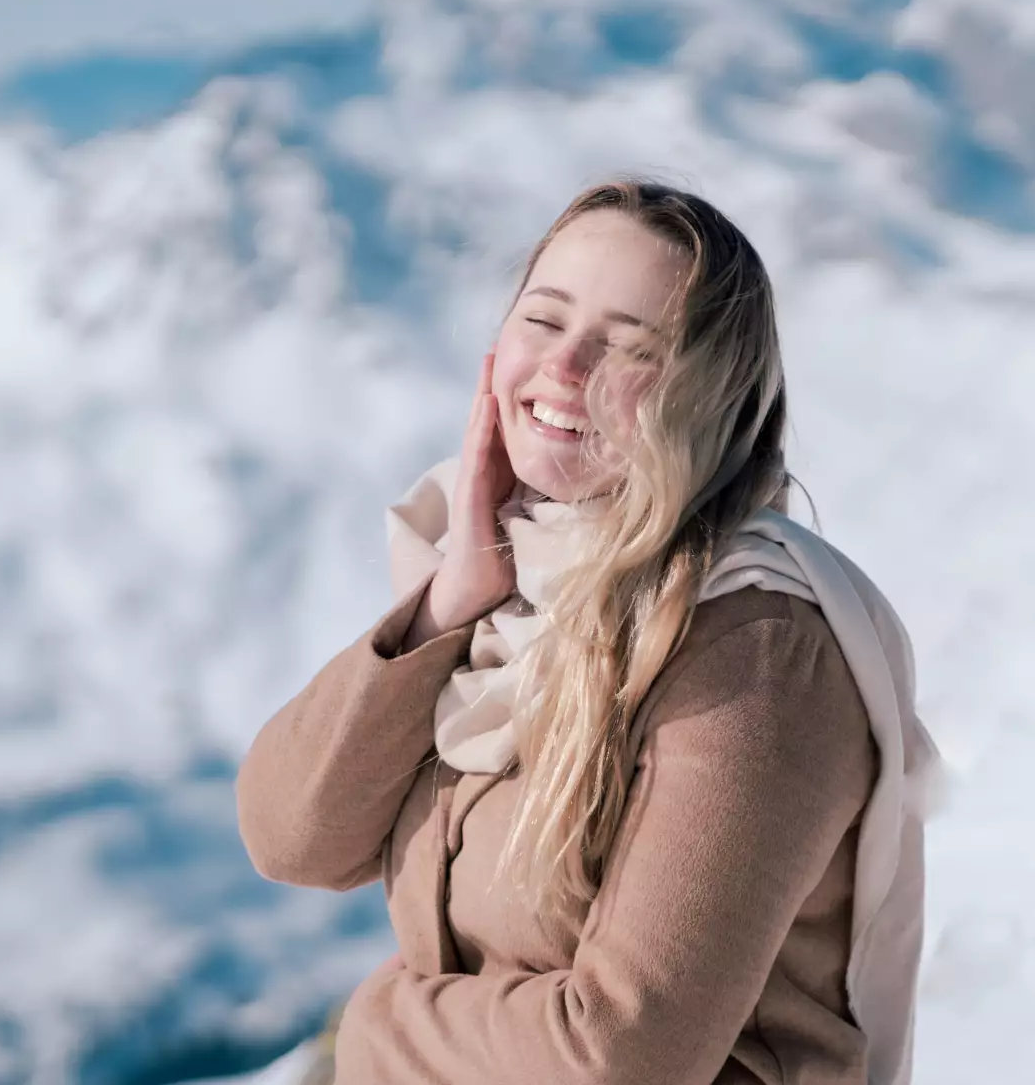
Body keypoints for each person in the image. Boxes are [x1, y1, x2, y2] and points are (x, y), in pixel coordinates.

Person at [236, 180, 936, 1085]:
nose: (566, 370)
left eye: (631, 347)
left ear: (709, 395)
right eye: (544, 319)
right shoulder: (507, 591)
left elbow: (621, 1055)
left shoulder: (758, 650)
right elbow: (294, 838)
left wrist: (381, 1024)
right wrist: (446, 607)